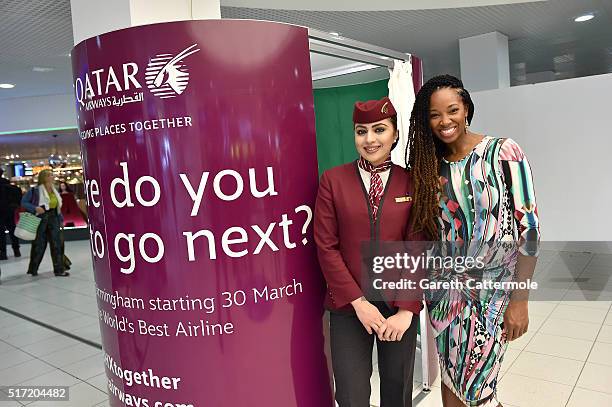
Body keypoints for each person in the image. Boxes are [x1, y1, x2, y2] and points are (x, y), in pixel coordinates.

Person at [406, 75, 540, 406]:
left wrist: (519, 300)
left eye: (452, 110)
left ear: (466, 108)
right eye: (435, 115)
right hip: (444, 296)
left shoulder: (503, 152)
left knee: (481, 389)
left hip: (493, 296)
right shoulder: (427, 167)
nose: (444, 121)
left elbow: (531, 228)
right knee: (452, 384)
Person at [314, 97, 423, 407]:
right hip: (349, 307)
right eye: (361, 131)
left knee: (397, 390)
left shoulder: (412, 182)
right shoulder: (333, 181)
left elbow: (416, 247)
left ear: (395, 133)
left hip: (397, 305)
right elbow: (326, 246)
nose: (370, 139)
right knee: (350, 394)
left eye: (379, 129)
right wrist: (359, 303)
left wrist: (405, 311)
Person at [21, 170, 69, 277]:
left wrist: (60, 220)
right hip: (41, 218)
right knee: (39, 244)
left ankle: (59, 270)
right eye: (50, 175)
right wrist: (35, 208)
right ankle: (33, 269)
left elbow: (57, 207)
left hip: (54, 218)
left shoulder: (54, 190)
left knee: (57, 244)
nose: (52, 177)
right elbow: (24, 202)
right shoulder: (35, 190)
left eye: (52, 175)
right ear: (44, 178)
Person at [0, 168, 22, 260]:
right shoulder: (10, 186)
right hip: (9, 211)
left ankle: (3, 253)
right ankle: (16, 250)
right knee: (12, 230)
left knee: (1, 233)